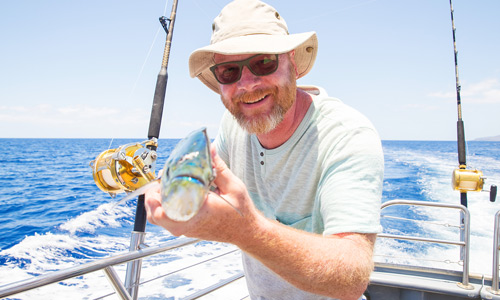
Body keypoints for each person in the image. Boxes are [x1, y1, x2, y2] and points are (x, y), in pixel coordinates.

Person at [145, 0, 384, 299]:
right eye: (229, 71)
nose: (247, 85)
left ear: (293, 65)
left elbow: (351, 275)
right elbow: (205, 181)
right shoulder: (234, 126)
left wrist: (245, 230)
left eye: (263, 63)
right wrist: (167, 191)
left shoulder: (347, 135)